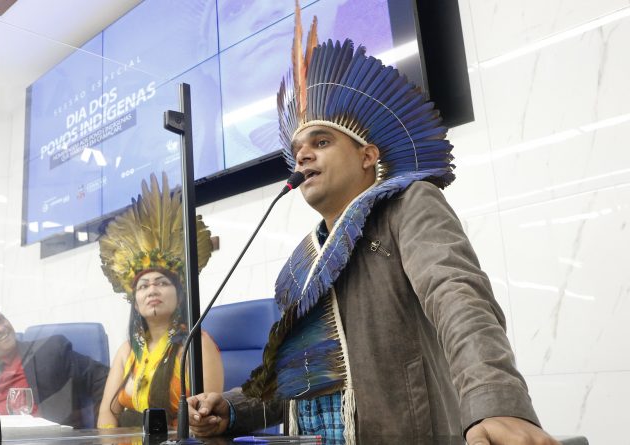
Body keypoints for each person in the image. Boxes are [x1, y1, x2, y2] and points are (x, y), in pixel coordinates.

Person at [187, 7, 560, 445]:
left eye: (321, 142)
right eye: (298, 149)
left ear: (368, 156)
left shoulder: (408, 204)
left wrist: (496, 400)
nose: (302, 156)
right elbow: (299, 380)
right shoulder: (302, 261)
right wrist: (229, 408)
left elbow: (457, 295)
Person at [97, 173, 224, 428]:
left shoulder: (197, 345)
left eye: (162, 283)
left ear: (179, 297)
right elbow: (106, 416)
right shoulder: (127, 352)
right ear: (135, 302)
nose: (152, 290)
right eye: (143, 286)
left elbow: (204, 421)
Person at [0, 305, 109, 429]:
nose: (1, 328)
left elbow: (103, 378)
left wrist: (101, 427)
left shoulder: (49, 351)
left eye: (1, 320)